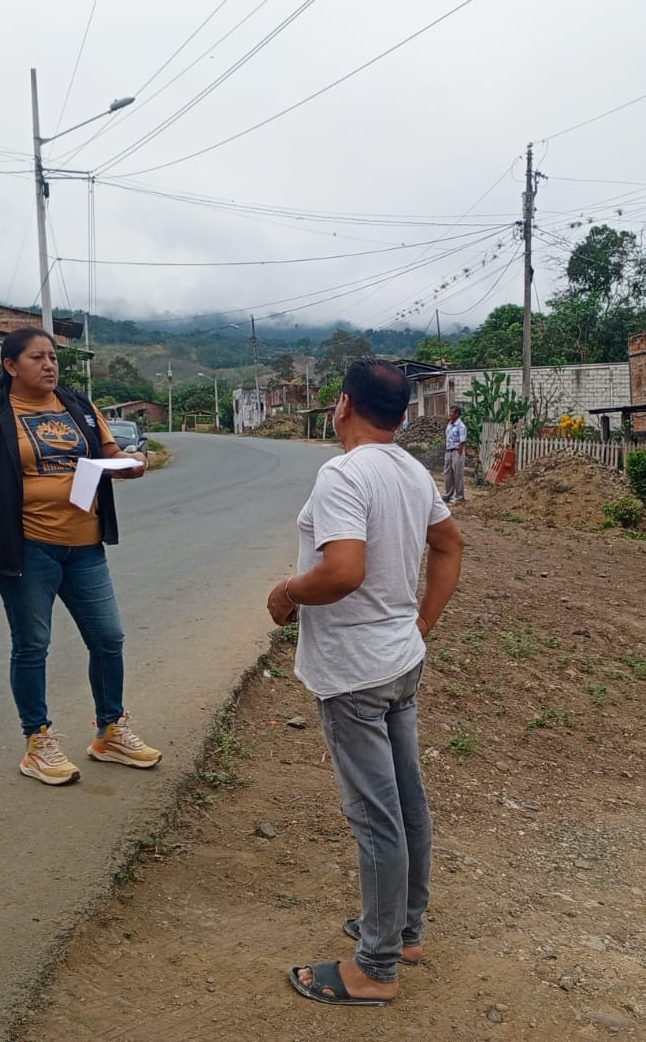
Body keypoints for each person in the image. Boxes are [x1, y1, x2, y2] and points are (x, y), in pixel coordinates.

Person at [267, 359, 464, 1007]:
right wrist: (421, 622)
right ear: (403, 415)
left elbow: (344, 571)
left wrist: (287, 592)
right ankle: (404, 932)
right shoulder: (411, 470)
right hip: (400, 662)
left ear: (344, 405)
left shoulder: (344, 474)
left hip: (354, 673)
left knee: (377, 817)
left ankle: (375, 969)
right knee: (406, 803)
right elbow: (450, 545)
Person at [0, 327, 157, 786]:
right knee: (32, 645)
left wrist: (131, 463)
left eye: (53, 358)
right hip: (26, 548)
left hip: (85, 545)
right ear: (10, 366)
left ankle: (110, 732)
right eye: (37, 357)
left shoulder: (79, 407)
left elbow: (110, 452)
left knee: (108, 638)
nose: (49, 365)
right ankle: (37, 741)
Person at [443, 404, 468, 503]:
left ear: (457, 414)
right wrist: (447, 451)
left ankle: (459, 497)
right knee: (447, 474)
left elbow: (462, 442)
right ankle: (448, 495)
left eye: (452, 412)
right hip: (448, 451)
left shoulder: (461, 426)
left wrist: (459, 454)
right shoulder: (449, 424)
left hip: (457, 451)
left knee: (458, 475)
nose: (449, 413)